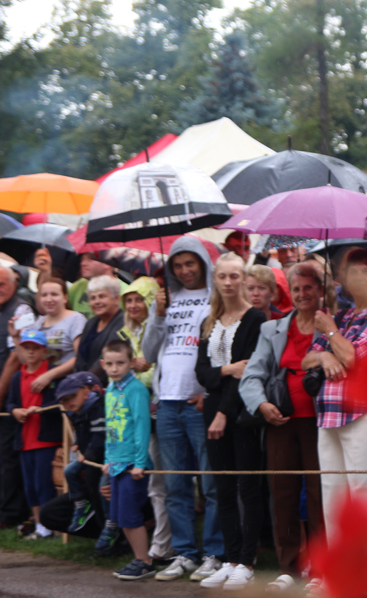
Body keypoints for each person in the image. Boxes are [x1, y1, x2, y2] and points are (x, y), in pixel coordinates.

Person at [240, 262, 330, 589]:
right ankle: (289, 567)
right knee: (283, 493)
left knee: (322, 494)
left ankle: (321, 568)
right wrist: (261, 404)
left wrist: (330, 329)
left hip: (321, 424)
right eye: (297, 289)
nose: (303, 294)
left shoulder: (331, 325)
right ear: (289, 293)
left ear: (320, 289)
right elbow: (251, 375)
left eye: (309, 287)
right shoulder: (272, 329)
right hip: (280, 422)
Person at [300, 247, 367, 538]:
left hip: (366, 413)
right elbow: (307, 358)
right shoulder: (344, 316)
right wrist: (324, 356)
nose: (357, 277)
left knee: (365, 494)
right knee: (333, 498)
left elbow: (354, 358)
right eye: (351, 271)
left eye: (365, 271)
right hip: (329, 415)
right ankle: (341, 579)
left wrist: (330, 333)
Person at [143, 237, 224, 582]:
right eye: (178, 265)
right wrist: (158, 317)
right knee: (175, 484)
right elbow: (148, 352)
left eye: (191, 263)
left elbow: (221, 348)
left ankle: (214, 553)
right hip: (168, 403)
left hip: (198, 402)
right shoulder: (165, 300)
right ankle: (185, 553)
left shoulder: (214, 298)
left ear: (203, 264)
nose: (184, 270)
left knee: (210, 484)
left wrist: (211, 391)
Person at [193, 254, 265, 590]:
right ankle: (231, 556)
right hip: (213, 410)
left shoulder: (254, 318)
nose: (228, 282)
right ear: (216, 280)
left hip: (240, 412)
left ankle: (247, 560)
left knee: (247, 486)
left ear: (243, 279)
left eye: (234, 276)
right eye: (222, 276)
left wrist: (223, 410)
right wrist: (225, 369)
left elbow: (247, 372)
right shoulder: (209, 321)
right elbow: (203, 374)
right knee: (221, 487)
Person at [116, 276, 172, 562]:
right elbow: (114, 373)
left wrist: (141, 369)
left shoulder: (160, 326)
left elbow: (159, 369)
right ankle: (160, 541)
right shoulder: (123, 332)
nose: (134, 305)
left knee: (164, 480)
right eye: (129, 300)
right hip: (135, 417)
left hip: (161, 409)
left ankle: (164, 542)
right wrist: (131, 370)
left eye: (139, 299)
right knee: (152, 483)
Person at [101, 339, 156, 580]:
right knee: (120, 516)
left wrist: (140, 463)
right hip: (116, 463)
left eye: (121, 363)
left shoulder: (136, 389)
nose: (115, 368)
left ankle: (144, 561)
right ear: (103, 364)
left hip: (133, 463)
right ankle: (139, 558)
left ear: (132, 363)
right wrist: (107, 458)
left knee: (130, 515)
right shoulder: (110, 390)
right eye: (110, 364)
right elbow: (110, 427)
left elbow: (143, 426)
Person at [7, 328, 62, 538]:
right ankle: (39, 525)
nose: (31, 352)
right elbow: (11, 402)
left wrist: (41, 409)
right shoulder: (18, 376)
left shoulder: (52, 373)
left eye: (35, 348)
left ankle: (49, 526)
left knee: (44, 484)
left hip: (45, 440)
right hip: (25, 440)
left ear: (44, 351)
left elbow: (60, 400)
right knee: (30, 486)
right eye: (27, 348)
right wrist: (15, 411)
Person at [0, 265, 34, 528]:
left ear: (14, 284)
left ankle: (10, 513)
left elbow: (15, 357)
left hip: (11, 394)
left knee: (7, 455)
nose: (0, 289)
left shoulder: (21, 310)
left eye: (3, 284)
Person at [57, 371, 107, 536]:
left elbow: (100, 435)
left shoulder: (97, 407)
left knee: (101, 491)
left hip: (102, 459)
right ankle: (81, 504)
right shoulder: (75, 411)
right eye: (64, 400)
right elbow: (81, 431)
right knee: (69, 471)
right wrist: (77, 443)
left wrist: (89, 454)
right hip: (89, 459)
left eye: (72, 396)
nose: (68, 402)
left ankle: (110, 530)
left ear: (87, 392)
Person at [29, 277, 86, 390]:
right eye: (44, 295)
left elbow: (80, 357)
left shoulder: (76, 319)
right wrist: (16, 336)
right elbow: (27, 358)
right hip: (42, 386)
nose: (49, 299)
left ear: (65, 298)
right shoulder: (38, 323)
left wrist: (50, 375)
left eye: (54, 294)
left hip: (68, 384)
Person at [74, 275, 125, 378]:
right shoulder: (91, 323)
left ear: (116, 299)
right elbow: (80, 359)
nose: (97, 302)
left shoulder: (123, 322)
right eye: (93, 298)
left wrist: (85, 382)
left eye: (102, 296)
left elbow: (106, 359)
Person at [69, 252, 116, 318]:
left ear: (107, 262)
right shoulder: (75, 287)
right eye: (82, 259)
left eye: (90, 258)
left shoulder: (124, 291)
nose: (83, 263)